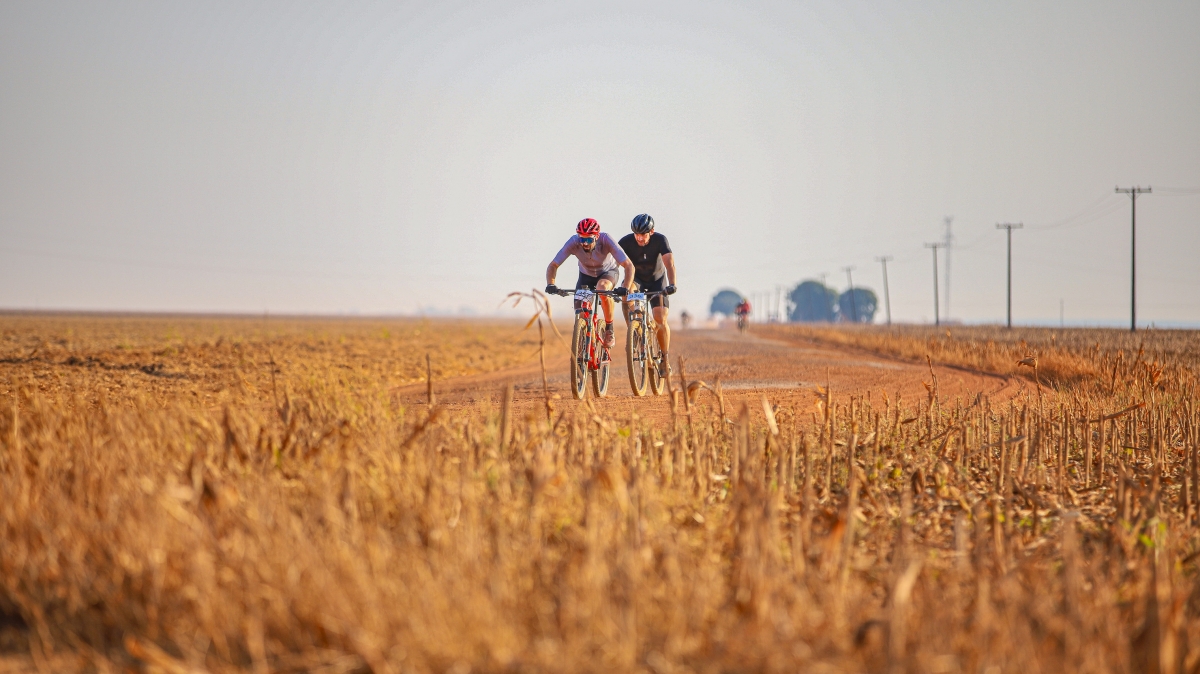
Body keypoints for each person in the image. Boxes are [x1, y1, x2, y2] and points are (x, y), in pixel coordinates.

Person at [545, 218, 635, 348]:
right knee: (581, 312)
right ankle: (587, 346)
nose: (585, 244)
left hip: (608, 273)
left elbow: (629, 265)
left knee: (602, 287)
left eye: (588, 240)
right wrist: (551, 284)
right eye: (582, 239)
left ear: (597, 237)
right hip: (586, 275)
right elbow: (553, 265)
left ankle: (609, 329)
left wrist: (625, 287)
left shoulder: (606, 239)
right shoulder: (573, 242)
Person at [617, 214, 677, 377]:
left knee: (660, 318)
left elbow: (669, 264)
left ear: (651, 232)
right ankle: (633, 331)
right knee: (626, 293)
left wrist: (672, 284)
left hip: (657, 282)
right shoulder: (625, 242)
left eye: (643, 234)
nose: (639, 238)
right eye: (636, 234)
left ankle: (665, 358)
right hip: (636, 281)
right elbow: (612, 265)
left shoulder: (660, 240)